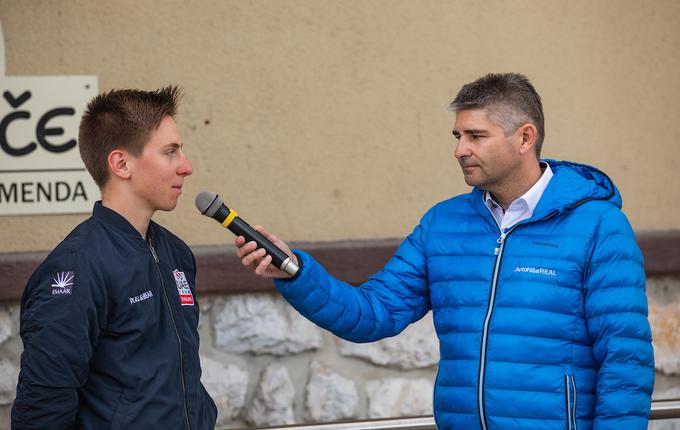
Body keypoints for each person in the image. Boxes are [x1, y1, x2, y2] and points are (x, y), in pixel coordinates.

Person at [235, 73, 655, 429]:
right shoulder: (443, 223)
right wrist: (294, 272)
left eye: (476, 136)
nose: (460, 150)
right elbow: (373, 313)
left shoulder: (598, 226)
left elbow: (626, 361)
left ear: (525, 137)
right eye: (457, 136)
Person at [12, 86, 217, 429]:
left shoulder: (176, 253)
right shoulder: (77, 267)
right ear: (121, 163)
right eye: (170, 152)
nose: (186, 166)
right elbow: (43, 407)